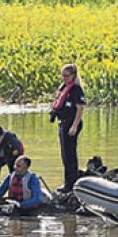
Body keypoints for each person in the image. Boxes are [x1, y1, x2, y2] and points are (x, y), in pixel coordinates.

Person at [50, 64, 85, 192]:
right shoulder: (64, 87)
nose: (64, 78)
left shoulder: (76, 89)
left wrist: (74, 126)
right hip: (63, 123)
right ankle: (67, 181)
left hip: (71, 123)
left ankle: (71, 184)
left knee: (70, 155)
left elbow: (80, 109)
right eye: (62, 75)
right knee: (65, 155)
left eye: (67, 76)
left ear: (73, 76)